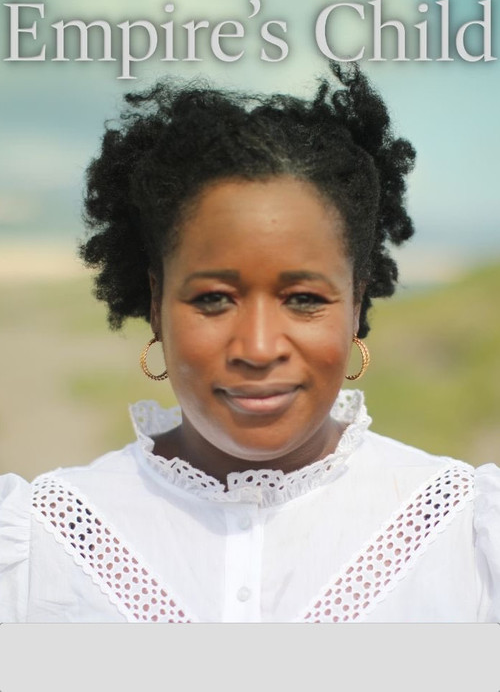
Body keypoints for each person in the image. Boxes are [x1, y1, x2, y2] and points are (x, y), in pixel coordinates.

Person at [1, 63, 499, 622]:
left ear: (356, 303)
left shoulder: (466, 538)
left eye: (304, 298)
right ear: (156, 303)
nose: (258, 349)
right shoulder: (39, 549)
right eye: (214, 298)